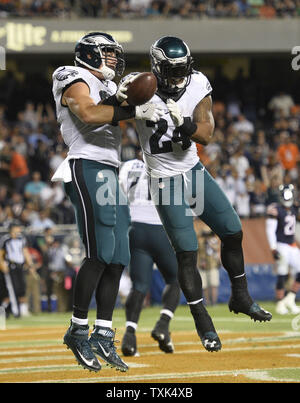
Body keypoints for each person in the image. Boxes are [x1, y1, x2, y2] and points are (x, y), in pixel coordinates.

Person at [130, 36, 272, 353]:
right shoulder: (139, 89)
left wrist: (187, 127)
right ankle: (202, 319)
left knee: (233, 231)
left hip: (192, 171)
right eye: (172, 70)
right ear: (157, 67)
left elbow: (206, 133)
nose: (179, 76)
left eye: (183, 69)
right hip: (164, 179)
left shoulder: (197, 82)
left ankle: (241, 295)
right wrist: (127, 107)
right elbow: (108, 113)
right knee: (187, 250)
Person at [51, 32, 163, 372]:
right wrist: (129, 107)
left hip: (111, 169)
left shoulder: (108, 88)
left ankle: (102, 331)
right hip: (85, 164)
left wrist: (132, 104)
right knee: (99, 253)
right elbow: (87, 113)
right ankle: (78, 328)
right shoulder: (70, 74)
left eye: (116, 54)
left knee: (118, 258)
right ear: (88, 54)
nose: (113, 59)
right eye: (107, 53)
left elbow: (112, 112)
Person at [119, 153, 180, 356]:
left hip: (135, 229)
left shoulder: (128, 166)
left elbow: (117, 197)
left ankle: (129, 336)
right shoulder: (171, 166)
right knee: (177, 279)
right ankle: (163, 324)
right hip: (160, 229)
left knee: (139, 286)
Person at [265, 184, 300, 314]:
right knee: (282, 274)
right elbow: (270, 230)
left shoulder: (294, 208)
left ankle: (290, 298)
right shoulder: (276, 209)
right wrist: (273, 248)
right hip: (281, 245)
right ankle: (280, 303)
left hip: (292, 245)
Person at [0, 222, 35, 318]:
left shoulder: (21, 239)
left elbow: (25, 252)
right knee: (12, 289)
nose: (18, 229)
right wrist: (2, 265)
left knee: (22, 288)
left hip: (20, 266)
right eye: (16, 227)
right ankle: (15, 312)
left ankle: (23, 310)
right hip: (10, 266)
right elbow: (1, 253)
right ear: (12, 229)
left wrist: (30, 264)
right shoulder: (6, 239)